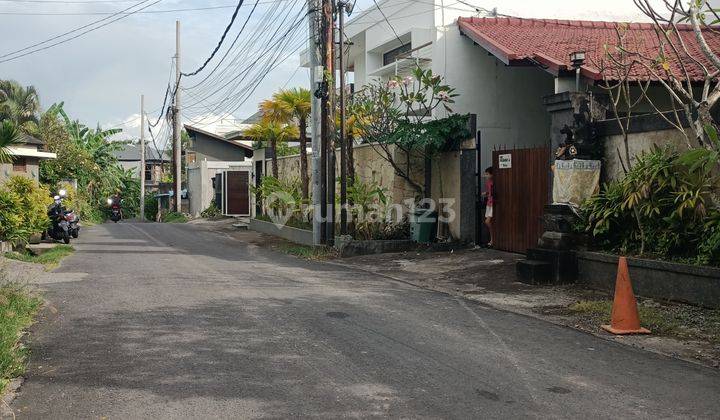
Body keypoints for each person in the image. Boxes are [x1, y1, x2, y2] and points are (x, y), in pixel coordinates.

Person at [482, 167, 494, 247]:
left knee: (488, 221)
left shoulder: (494, 182)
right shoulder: (488, 182)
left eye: (487, 174)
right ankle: (492, 239)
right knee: (489, 222)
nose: (485, 176)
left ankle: (493, 239)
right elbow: (490, 192)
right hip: (488, 203)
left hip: (492, 203)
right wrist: (486, 193)